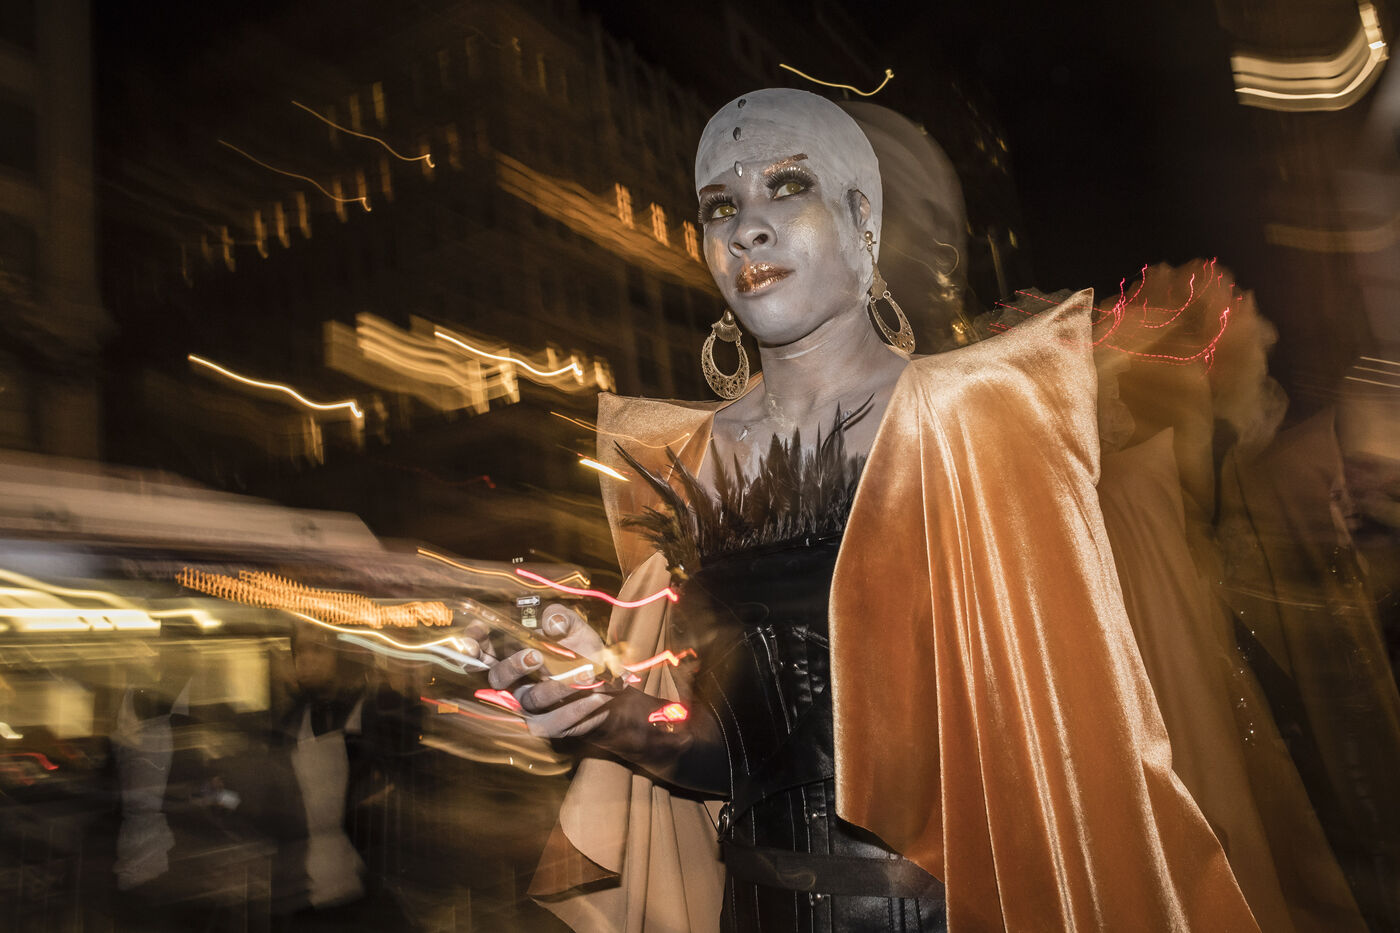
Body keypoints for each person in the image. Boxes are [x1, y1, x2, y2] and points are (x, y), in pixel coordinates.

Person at [483, 88, 1260, 932]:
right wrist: (609, 712)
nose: (747, 229)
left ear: (863, 219)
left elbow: (1061, 746)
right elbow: (736, 758)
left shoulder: (980, 420)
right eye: (720, 205)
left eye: (787, 187)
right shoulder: (684, 466)